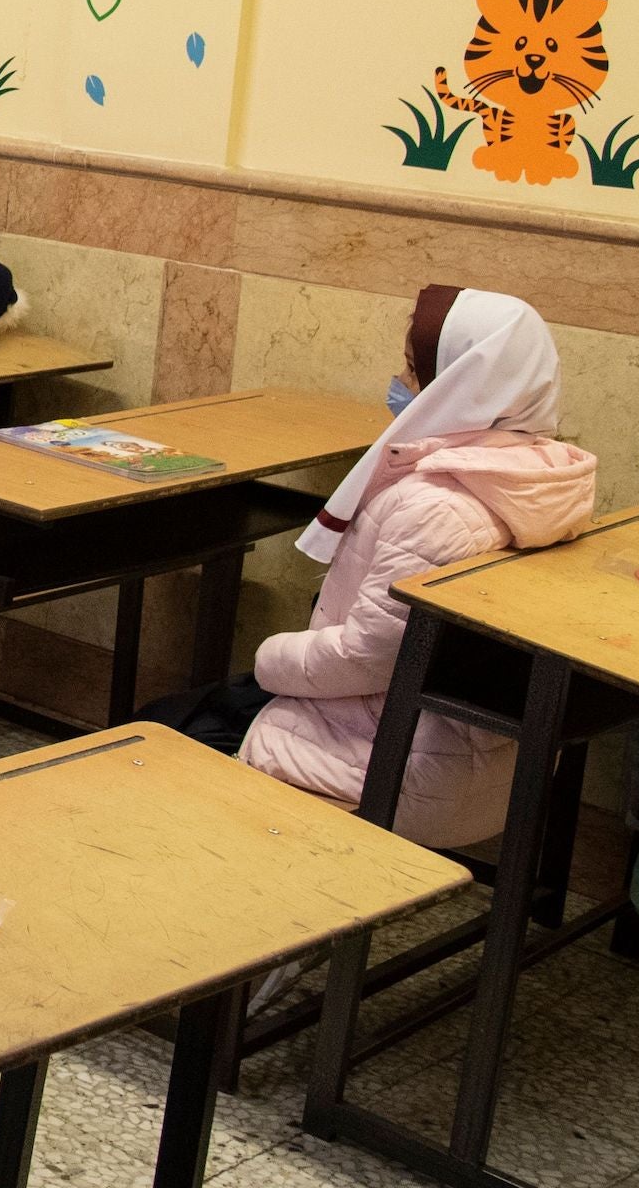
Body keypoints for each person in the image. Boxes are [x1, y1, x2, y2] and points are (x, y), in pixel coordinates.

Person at [146, 285, 597, 848]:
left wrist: (270, 657)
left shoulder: (435, 506)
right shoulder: (543, 477)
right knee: (190, 709)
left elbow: (368, 658)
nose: (399, 382)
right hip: (483, 757)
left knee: (147, 738)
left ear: (459, 381)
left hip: (391, 757)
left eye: (413, 369)